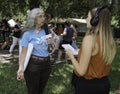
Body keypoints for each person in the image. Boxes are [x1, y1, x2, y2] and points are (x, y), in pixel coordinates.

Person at [65, 6, 116, 94]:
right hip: (104, 84)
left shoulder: (90, 40)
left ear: (94, 20)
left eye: (88, 16)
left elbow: (81, 71)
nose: (86, 19)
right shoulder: (109, 40)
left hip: (88, 86)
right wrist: (89, 30)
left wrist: (71, 56)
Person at [17, 8, 52, 94]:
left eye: (43, 16)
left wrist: (51, 43)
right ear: (34, 19)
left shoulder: (46, 31)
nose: (43, 18)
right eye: (40, 16)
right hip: (33, 65)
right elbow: (23, 52)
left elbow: (49, 47)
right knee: (33, 91)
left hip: (47, 64)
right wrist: (21, 67)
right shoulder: (27, 34)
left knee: (41, 90)